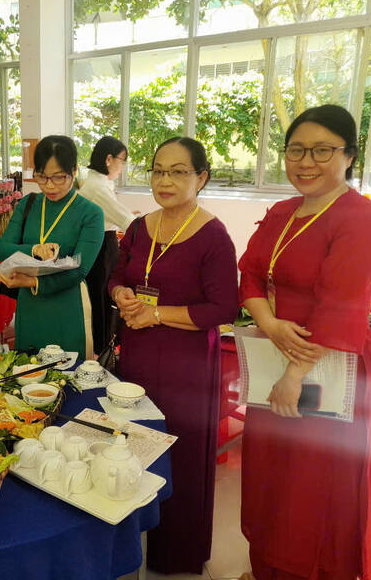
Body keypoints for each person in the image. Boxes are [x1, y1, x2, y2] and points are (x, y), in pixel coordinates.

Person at [237, 105, 371, 580]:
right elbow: (249, 272)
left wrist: (295, 375)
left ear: (349, 155)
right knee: (269, 480)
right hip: (275, 358)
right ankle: (266, 568)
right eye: (296, 150)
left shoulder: (360, 219)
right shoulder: (284, 211)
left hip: (321, 368)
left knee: (310, 491)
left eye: (323, 150)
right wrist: (270, 322)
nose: (306, 162)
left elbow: (341, 304)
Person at [108, 137, 238, 574]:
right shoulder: (142, 226)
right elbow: (118, 275)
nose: (165, 180)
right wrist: (123, 295)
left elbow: (222, 309)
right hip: (140, 355)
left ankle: (177, 555)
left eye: (178, 171)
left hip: (186, 364)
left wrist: (156, 313)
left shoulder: (213, 235)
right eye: (158, 170)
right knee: (136, 443)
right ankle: (131, 542)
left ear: (201, 177)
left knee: (179, 454)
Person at [0, 135, 104, 358]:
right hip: (30, 305)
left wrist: (34, 281)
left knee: (67, 374)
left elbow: (80, 270)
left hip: (67, 305)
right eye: (42, 177)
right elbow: (4, 248)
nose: (49, 185)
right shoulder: (29, 204)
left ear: (74, 171)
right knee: (28, 370)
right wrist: (34, 250)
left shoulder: (91, 213)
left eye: (58, 177)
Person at [77, 136, 135, 354]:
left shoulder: (100, 183)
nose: (123, 167)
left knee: (102, 297)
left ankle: (103, 346)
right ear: (109, 159)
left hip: (104, 244)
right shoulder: (96, 187)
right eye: (122, 160)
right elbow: (127, 221)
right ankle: (101, 350)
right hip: (100, 248)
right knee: (100, 299)